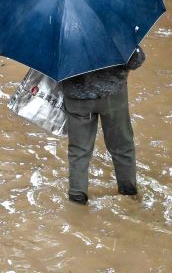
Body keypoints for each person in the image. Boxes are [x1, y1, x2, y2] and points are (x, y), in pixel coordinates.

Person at [60, 47, 145, 205]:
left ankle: (77, 200)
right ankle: (129, 195)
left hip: (76, 98)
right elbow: (136, 61)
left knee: (79, 151)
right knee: (122, 145)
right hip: (112, 95)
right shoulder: (114, 29)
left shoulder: (61, 35)